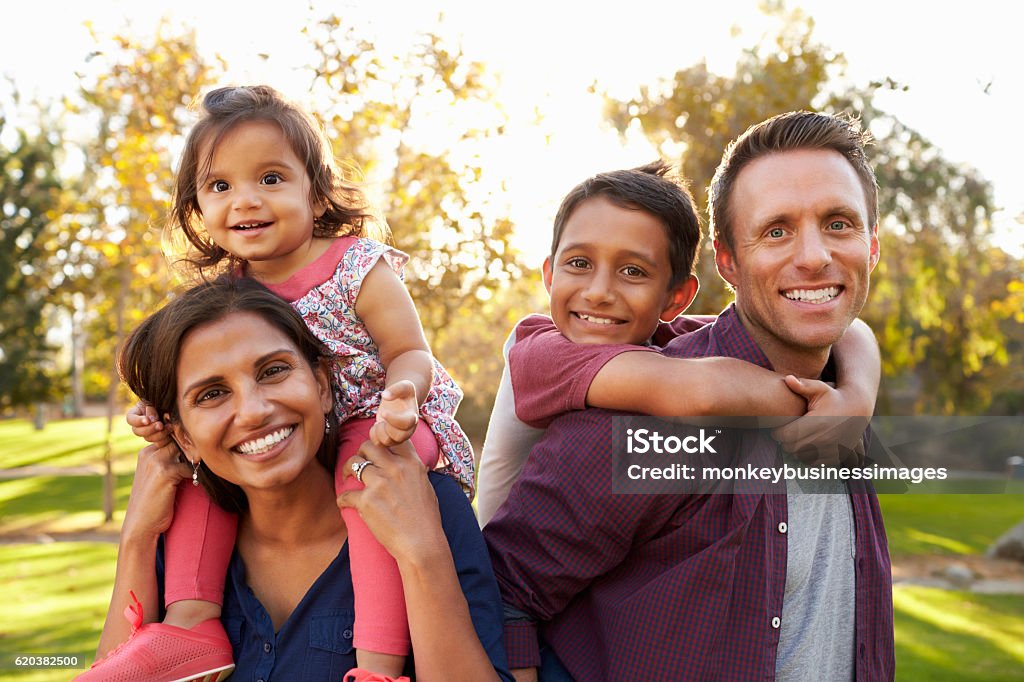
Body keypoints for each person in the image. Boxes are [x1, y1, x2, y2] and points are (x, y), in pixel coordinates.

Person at [484, 111, 894, 680]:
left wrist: (855, 394)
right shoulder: (649, 411)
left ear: (871, 247)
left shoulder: (842, 393)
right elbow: (502, 589)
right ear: (728, 260)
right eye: (776, 230)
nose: (813, 256)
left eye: (839, 224)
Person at [107, 85, 474, 680]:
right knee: (200, 479)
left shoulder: (356, 265)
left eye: (270, 178)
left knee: (365, 490)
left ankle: (377, 663)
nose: (245, 200)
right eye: (220, 186)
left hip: (378, 423)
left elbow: (409, 350)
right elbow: (187, 382)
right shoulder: (228, 292)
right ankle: (192, 623)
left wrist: (401, 398)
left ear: (314, 187)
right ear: (197, 206)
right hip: (297, 434)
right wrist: (154, 418)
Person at [76, 276, 511, 682]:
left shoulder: (422, 505)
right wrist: (136, 537)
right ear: (183, 437)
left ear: (322, 385)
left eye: (273, 371)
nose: (254, 411)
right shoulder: (175, 547)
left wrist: (421, 555)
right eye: (212, 394)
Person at [477, 161, 879, 526]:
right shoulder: (539, 350)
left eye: (632, 271)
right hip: (495, 585)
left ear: (675, 299)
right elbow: (703, 390)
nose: (598, 292)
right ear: (549, 274)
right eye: (580, 264)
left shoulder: (660, 337)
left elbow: (853, 330)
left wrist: (856, 398)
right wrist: (819, 409)